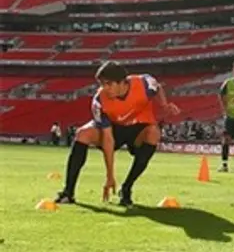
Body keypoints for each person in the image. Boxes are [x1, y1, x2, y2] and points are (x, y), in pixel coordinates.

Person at [55, 61, 180, 206]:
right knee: (82, 133)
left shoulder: (144, 83)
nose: (105, 88)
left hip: (138, 127)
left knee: (154, 133)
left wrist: (164, 105)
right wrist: (110, 176)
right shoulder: (99, 101)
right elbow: (108, 139)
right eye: (102, 84)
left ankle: (126, 188)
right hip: (114, 129)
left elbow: (157, 87)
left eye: (109, 84)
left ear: (122, 82)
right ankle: (68, 193)